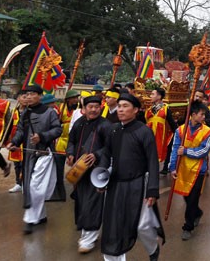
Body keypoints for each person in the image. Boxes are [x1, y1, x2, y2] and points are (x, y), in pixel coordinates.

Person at [97, 93, 165, 261]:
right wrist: (100, 175)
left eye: (125, 106)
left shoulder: (144, 131)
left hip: (138, 184)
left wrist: (152, 190)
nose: (120, 109)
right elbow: (106, 154)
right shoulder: (113, 130)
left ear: (135, 110)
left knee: (141, 226)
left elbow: (152, 162)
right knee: (114, 225)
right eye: (119, 106)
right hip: (116, 184)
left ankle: (153, 249)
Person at [6, 85, 63, 234]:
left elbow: (58, 129)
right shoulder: (24, 113)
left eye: (32, 94)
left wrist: (42, 136)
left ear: (40, 95)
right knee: (30, 185)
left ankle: (30, 219)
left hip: (44, 153)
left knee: (35, 187)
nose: (29, 97)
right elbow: (19, 131)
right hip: (29, 154)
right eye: (27, 94)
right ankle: (41, 215)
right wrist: (14, 142)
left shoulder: (50, 112)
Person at [66, 95, 112, 254]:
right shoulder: (79, 123)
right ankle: (88, 234)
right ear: (84, 109)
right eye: (89, 107)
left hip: (96, 172)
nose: (93, 110)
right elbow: (70, 141)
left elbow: (110, 147)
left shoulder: (106, 125)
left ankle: (88, 239)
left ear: (101, 107)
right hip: (79, 172)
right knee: (81, 202)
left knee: (92, 204)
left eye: (96, 107)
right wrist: (70, 154)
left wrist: (97, 155)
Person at [169, 101, 210, 240]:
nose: (203, 117)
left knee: (193, 197)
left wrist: (187, 151)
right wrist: (172, 167)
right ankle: (198, 212)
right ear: (193, 115)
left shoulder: (208, 131)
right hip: (183, 168)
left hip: (199, 170)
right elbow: (175, 148)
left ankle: (188, 226)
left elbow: (204, 151)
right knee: (186, 196)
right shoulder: (180, 130)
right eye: (201, 114)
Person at [145, 87, 177, 174]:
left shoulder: (166, 109)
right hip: (150, 135)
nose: (150, 96)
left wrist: (177, 134)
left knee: (163, 152)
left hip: (162, 136)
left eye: (152, 94)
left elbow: (172, 123)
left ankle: (165, 167)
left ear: (159, 97)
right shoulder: (149, 110)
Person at [5, 90, 28, 193]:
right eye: (24, 97)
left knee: (25, 163)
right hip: (15, 141)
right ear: (18, 98)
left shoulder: (30, 112)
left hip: (26, 142)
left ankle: (25, 183)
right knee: (17, 164)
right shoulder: (14, 111)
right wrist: (7, 140)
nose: (26, 99)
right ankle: (18, 183)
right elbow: (9, 127)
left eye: (27, 97)